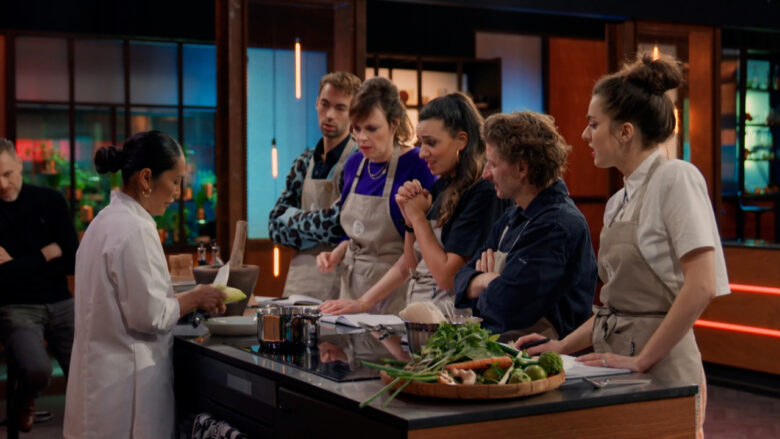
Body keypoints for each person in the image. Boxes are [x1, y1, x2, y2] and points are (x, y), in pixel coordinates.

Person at [515, 53, 729, 437]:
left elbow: (702, 285)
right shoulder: (617, 201)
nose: (585, 135)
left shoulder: (676, 178)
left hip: (662, 369)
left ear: (626, 131)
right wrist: (561, 347)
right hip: (618, 366)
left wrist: (643, 360)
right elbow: (616, 309)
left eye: (593, 124)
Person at [64, 131, 226, 439]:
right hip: (126, 390)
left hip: (100, 382)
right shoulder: (136, 228)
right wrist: (194, 298)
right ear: (147, 178)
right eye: (175, 181)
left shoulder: (102, 221)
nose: (177, 192)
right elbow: (150, 316)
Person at [319, 93, 506, 315]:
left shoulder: (483, 193)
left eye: (431, 143)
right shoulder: (442, 185)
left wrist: (417, 217)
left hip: (455, 320)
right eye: (420, 142)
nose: (422, 153)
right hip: (424, 315)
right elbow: (413, 264)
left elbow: (446, 277)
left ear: (461, 141)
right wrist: (409, 222)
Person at [452, 111, 597, 340]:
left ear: (522, 168)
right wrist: (489, 279)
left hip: (539, 355)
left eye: (493, 164)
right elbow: (460, 280)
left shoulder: (556, 226)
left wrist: (481, 286)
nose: (485, 174)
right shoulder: (511, 216)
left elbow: (507, 308)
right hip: (505, 347)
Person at [316, 77, 436, 315]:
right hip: (350, 292)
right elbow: (355, 234)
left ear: (394, 124)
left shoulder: (417, 165)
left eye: (371, 129)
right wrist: (337, 253)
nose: (361, 138)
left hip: (396, 296)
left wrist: (364, 303)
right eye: (356, 128)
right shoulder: (353, 164)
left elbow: (417, 250)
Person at [0, 138, 78, 432]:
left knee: (88, 368)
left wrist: (17, 263)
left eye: (7, 174)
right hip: (15, 306)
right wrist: (45, 254)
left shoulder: (50, 200)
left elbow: (71, 260)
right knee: (37, 370)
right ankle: (25, 398)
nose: (2, 184)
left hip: (61, 301)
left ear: (20, 165)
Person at [269, 71, 362, 301]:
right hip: (299, 281)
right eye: (325, 104)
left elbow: (339, 225)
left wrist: (292, 217)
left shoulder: (359, 161)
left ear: (354, 112)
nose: (329, 115)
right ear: (316, 103)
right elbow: (274, 226)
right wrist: (322, 222)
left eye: (340, 108)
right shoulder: (303, 162)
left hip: (342, 280)